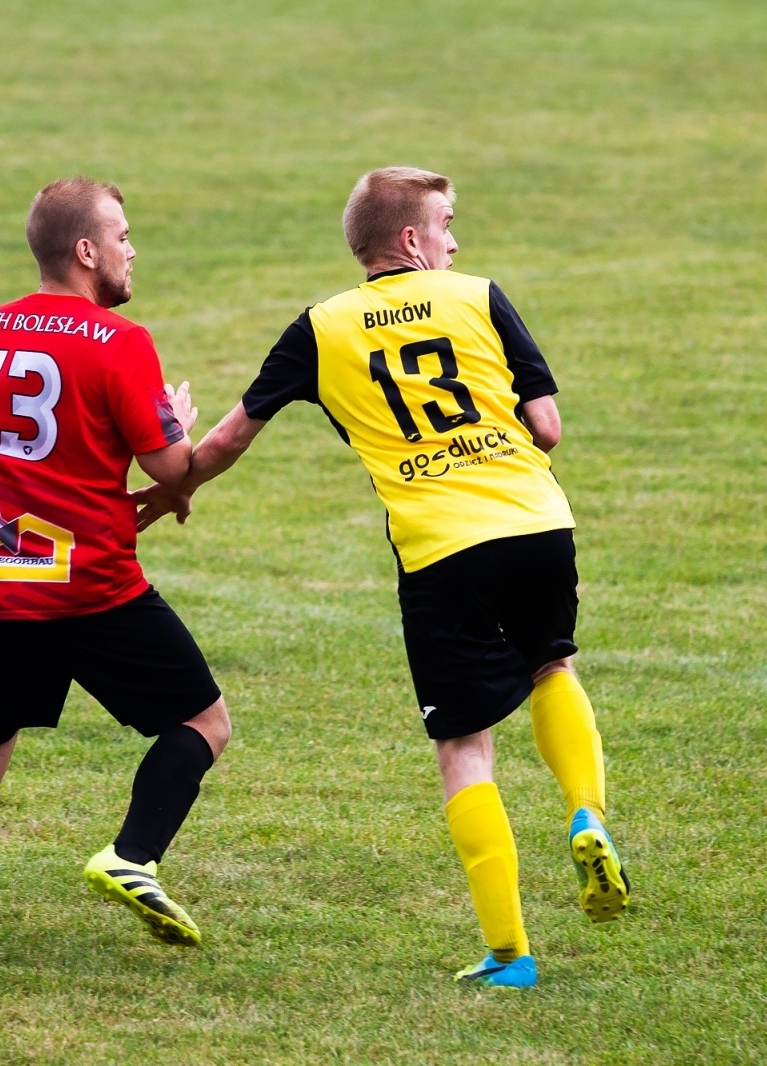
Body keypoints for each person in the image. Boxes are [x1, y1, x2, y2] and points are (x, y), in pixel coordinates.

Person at [134, 166, 627, 987]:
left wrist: (173, 487)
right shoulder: (479, 296)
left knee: (464, 744)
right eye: (446, 225)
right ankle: (587, 814)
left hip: (439, 548)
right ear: (411, 239)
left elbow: (226, 439)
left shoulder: (321, 328)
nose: (455, 241)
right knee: (552, 664)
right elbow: (547, 426)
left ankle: (511, 955)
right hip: (538, 522)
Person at [0, 177, 231, 966]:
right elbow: (171, 462)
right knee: (206, 722)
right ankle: (132, 856)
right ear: (86, 251)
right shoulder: (121, 341)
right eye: (124, 235)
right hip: (90, 585)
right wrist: (177, 421)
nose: (133, 249)